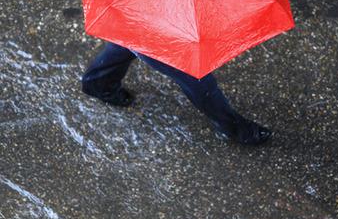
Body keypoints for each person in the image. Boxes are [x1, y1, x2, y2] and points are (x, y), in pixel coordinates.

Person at [81, 42, 272, 145]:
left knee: (127, 35)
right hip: (161, 28)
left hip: (139, 5)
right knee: (198, 81)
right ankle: (235, 127)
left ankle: (98, 82)